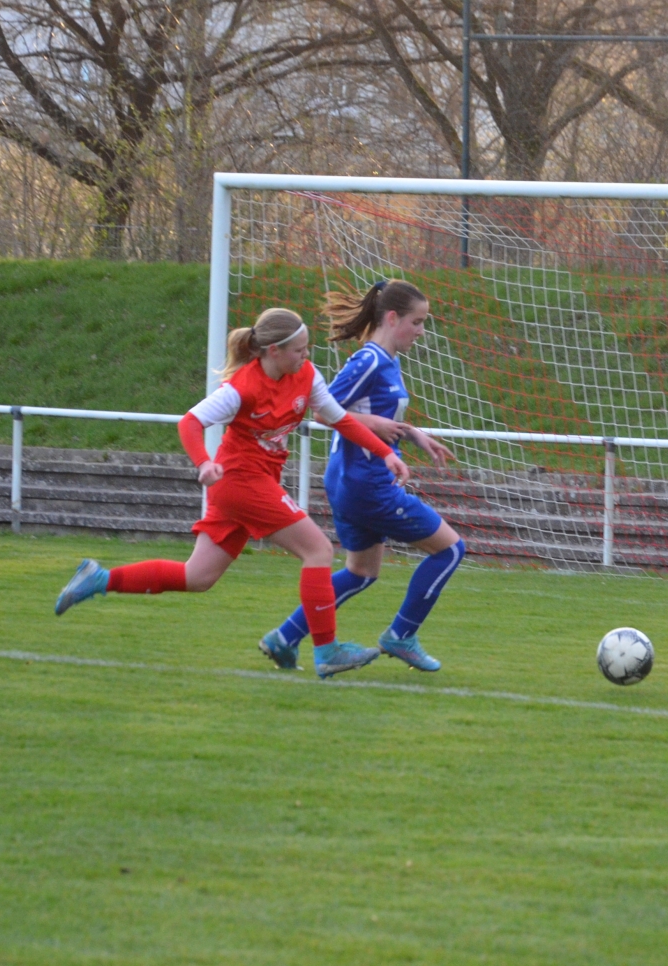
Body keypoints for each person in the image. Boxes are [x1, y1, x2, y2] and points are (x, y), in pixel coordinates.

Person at [52, 306, 411, 680]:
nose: (306, 355)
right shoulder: (243, 387)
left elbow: (341, 419)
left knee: (198, 577)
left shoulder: (305, 375)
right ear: (274, 351)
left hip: (253, 482)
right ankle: (327, 651)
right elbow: (191, 422)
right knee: (318, 550)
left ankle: (99, 579)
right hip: (239, 480)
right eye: (299, 350)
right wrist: (203, 462)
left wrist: (386, 453)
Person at [259, 279, 467, 674]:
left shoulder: (389, 361)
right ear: (392, 318)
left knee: (361, 572)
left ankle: (284, 637)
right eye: (417, 322)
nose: (421, 332)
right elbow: (323, 411)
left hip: (351, 480)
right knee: (450, 549)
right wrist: (375, 423)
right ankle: (401, 635)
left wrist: (415, 434)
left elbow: (374, 417)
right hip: (367, 481)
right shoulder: (369, 360)